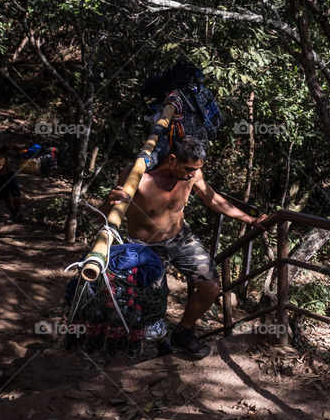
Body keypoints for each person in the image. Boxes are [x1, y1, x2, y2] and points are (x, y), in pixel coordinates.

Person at [102, 136, 268, 358]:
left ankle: (184, 332)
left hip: (181, 239)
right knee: (152, 306)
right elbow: (109, 213)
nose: (192, 174)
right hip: (147, 249)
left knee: (211, 286)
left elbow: (213, 200)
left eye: (196, 169)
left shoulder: (193, 174)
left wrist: (250, 220)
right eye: (188, 168)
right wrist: (109, 199)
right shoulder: (138, 176)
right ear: (172, 159)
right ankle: (145, 346)